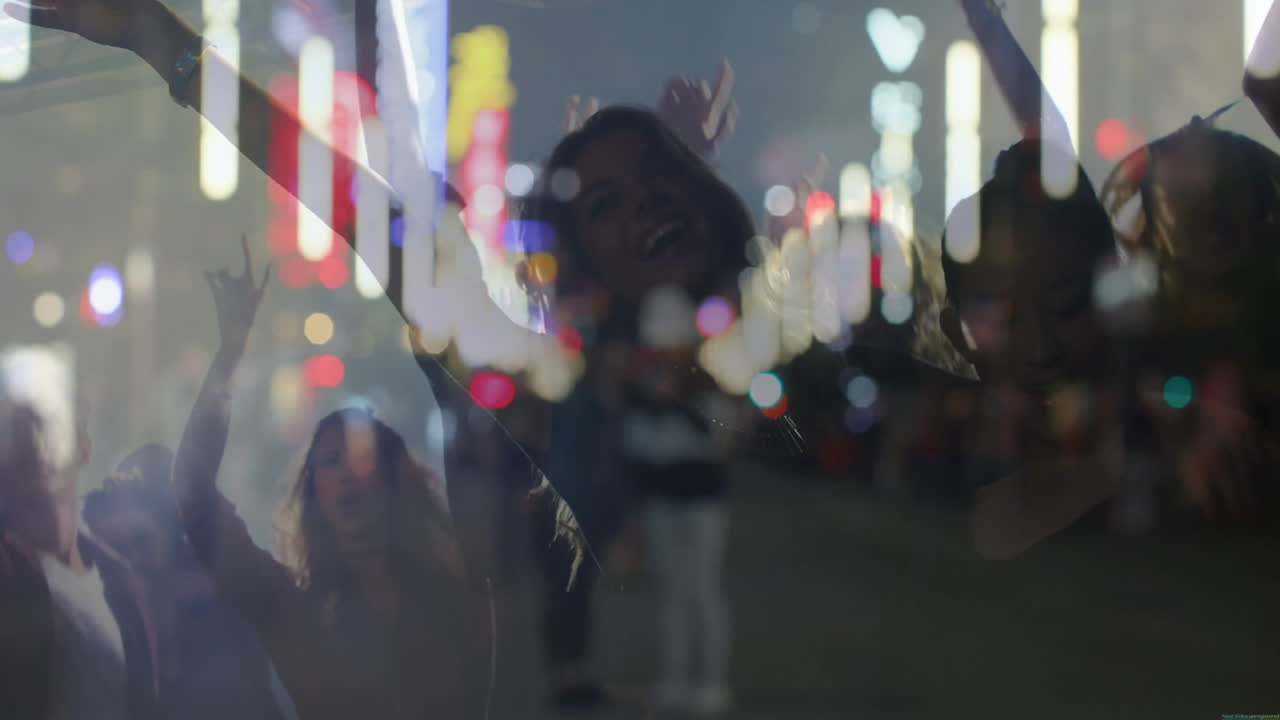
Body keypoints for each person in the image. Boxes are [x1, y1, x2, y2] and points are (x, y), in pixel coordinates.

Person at [170, 238, 487, 719]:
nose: (348, 478)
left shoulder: (456, 600)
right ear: (313, 491)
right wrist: (231, 350)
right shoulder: (291, 610)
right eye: (331, 462)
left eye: (363, 461)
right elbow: (193, 495)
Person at [0, 345, 159, 719]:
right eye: (19, 425)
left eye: (49, 422)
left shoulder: (119, 577)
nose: (36, 441)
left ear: (83, 445)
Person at [83, 445, 290, 720]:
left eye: (141, 541)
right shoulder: (112, 603)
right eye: (114, 548)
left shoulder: (219, 590)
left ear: (171, 529)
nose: (129, 558)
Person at [621, 285, 736, 716]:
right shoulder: (644, 389)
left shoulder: (705, 384)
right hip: (662, 502)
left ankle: (712, 683)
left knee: (702, 590)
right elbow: (638, 448)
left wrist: (680, 404)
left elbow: (719, 439)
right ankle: (675, 679)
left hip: (703, 502)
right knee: (671, 592)